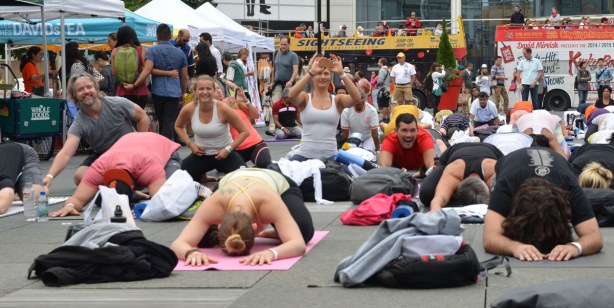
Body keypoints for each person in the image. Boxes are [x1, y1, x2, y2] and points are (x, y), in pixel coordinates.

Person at [171, 168, 314, 266]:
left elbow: (299, 244)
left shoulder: (269, 202)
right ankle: (283, 230)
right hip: (231, 183)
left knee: (303, 231)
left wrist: (271, 253)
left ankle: (279, 231)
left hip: (276, 180)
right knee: (202, 241)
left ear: (255, 228)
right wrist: (190, 253)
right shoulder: (214, 204)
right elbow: (178, 244)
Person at [483, 147, 603, 261]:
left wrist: (575, 247)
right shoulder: (506, 184)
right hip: (509, 165)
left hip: (559, 166)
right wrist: (514, 247)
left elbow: (594, 237)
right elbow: (490, 238)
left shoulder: (569, 186)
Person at [44, 73, 149, 188]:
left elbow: (142, 117)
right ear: (75, 95)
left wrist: (140, 146)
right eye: (80, 89)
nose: (86, 91)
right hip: (104, 156)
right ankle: (119, 185)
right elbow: (66, 153)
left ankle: (119, 184)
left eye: (89, 87)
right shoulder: (79, 123)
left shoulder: (117, 103)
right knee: (79, 176)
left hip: (129, 152)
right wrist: (50, 176)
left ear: (95, 88)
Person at [49, 132, 182, 217]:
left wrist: (137, 210)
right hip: (128, 147)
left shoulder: (148, 166)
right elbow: (77, 199)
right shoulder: (99, 168)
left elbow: (161, 203)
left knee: (174, 192)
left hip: (162, 149)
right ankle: (131, 197)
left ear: (133, 187)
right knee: (102, 199)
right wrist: (70, 206)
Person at [174, 75, 249, 182]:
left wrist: (228, 149)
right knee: (179, 179)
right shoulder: (189, 109)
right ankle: (202, 176)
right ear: (195, 91)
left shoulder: (223, 108)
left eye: (208, 88)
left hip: (225, 154)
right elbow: (178, 126)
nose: (205, 92)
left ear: (214, 91)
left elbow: (244, 132)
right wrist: (190, 145)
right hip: (202, 154)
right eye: (201, 89)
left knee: (245, 180)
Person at [286, 54, 360, 161]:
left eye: (326, 74)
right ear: (312, 78)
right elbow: (291, 95)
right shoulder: (305, 98)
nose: (322, 77)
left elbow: (356, 98)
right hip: (305, 155)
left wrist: (341, 74)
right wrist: (311, 72)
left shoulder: (337, 100)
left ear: (330, 78)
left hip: (330, 157)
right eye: (318, 74)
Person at [129, 23, 188, 141]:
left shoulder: (152, 51)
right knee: (169, 121)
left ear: (157, 36)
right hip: (174, 91)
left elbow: (148, 69)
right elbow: (184, 76)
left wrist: (135, 84)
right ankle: (167, 146)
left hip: (158, 91)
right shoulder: (180, 53)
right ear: (170, 36)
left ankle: (163, 145)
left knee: (161, 120)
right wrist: (182, 92)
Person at [420, 143, 503, 211]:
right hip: (453, 151)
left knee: (507, 193)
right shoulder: (454, 172)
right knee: (426, 194)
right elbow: (438, 198)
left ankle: (450, 191)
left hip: (491, 151)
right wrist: (434, 213)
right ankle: (450, 191)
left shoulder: (492, 171)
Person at [223, 86, 272, 168]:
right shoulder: (214, 109)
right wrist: (228, 109)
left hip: (255, 143)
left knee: (265, 163)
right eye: (215, 89)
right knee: (238, 171)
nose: (218, 91)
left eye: (218, 88)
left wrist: (246, 100)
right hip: (235, 149)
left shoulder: (234, 102)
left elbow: (256, 116)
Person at [111, 25, 150, 109]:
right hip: (140, 92)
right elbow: (146, 70)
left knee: (124, 120)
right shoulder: (140, 49)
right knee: (138, 120)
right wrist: (134, 85)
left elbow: (114, 72)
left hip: (122, 92)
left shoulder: (115, 51)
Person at [0, 142, 43, 214]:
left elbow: (3, 204)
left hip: (23, 154)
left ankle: (38, 183)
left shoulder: (3, 176)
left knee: (33, 196)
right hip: (7, 156)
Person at [341, 88, 379, 152]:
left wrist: (378, 150)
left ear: (365, 98)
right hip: (353, 137)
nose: (359, 101)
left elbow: (375, 133)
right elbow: (345, 134)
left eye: (361, 98)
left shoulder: (372, 110)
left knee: (368, 153)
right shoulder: (346, 111)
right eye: (356, 98)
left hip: (368, 138)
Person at [269, 36, 299, 111]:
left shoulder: (293, 55)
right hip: (277, 84)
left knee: (290, 105)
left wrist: (291, 81)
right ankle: (274, 122)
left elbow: (296, 70)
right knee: (275, 104)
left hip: (288, 85)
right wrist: (272, 82)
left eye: (285, 44)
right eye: (281, 44)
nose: (283, 46)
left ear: (289, 44)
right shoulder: (276, 53)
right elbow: (273, 69)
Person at [376, 58, 391, 123]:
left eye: (378, 62)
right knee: (387, 105)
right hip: (387, 89)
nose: (378, 63)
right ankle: (388, 118)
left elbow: (380, 80)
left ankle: (384, 118)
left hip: (382, 90)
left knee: (383, 105)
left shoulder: (382, 70)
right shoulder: (387, 70)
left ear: (381, 62)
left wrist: (376, 84)